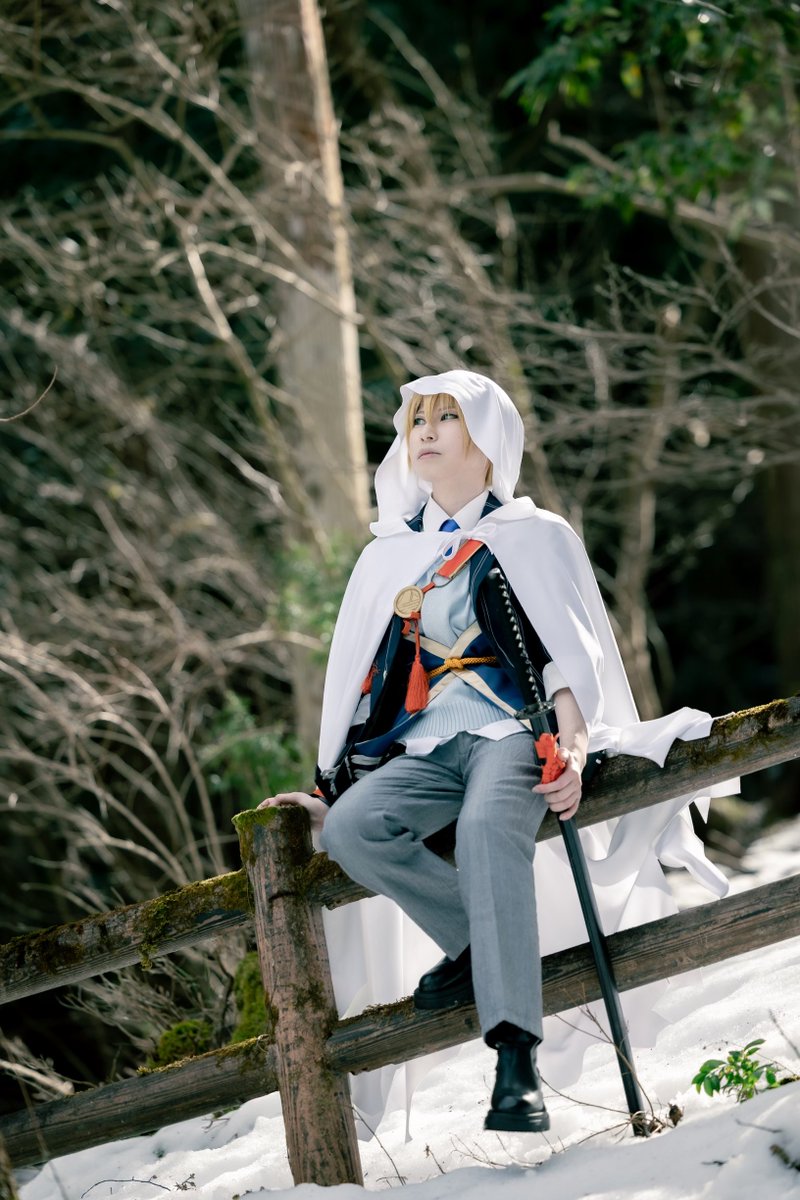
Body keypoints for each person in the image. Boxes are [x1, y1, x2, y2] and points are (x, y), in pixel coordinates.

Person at [260, 369, 732, 1135]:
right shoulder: (387, 557)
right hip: (420, 748)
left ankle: (516, 1062)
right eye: (418, 418)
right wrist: (331, 788)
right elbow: (364, 684)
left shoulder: (534, 536)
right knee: (351, 830)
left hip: (512, 734)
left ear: (487, 439)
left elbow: (567, 661)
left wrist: (572, 747)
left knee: (486, 830)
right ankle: (483, 945)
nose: (426, 430)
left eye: (447, 417)